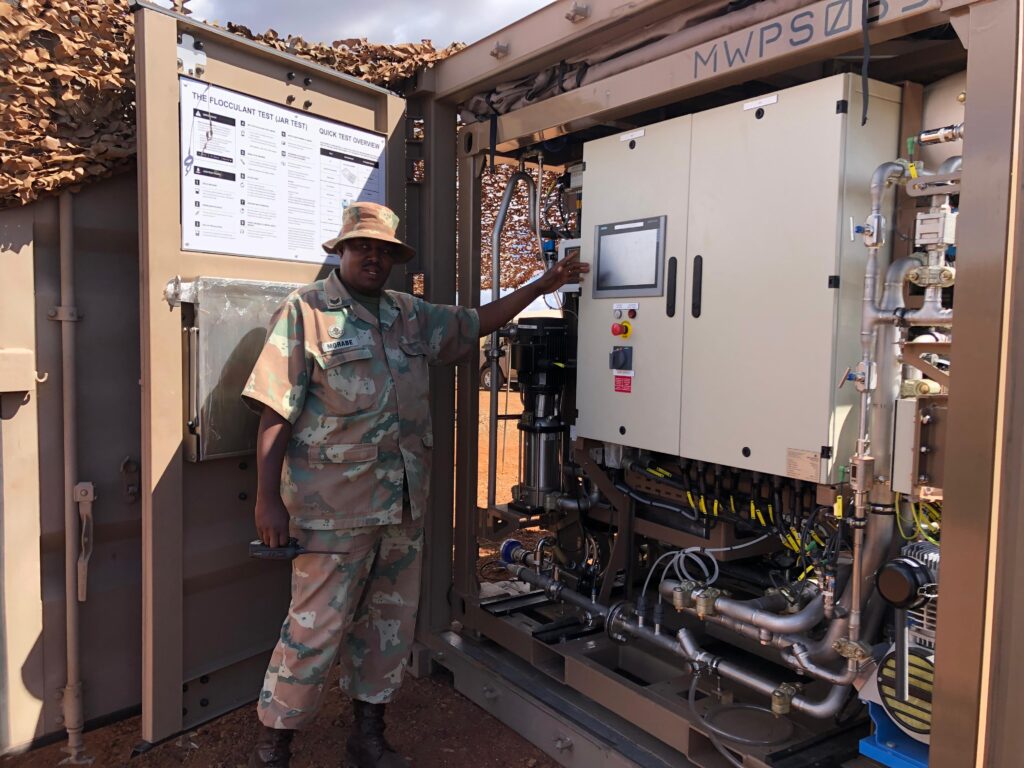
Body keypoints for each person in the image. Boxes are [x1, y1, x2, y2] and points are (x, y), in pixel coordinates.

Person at [242, 201, 587, 768]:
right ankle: (273, 749)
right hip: (333, 511)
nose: (373, 257)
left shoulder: (408, 314)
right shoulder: (306, 312)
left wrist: (543, 284)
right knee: (313, 630)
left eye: (384, 250)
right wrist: (266, 500)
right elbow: (275, 410)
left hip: (402, 506)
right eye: (362, 246)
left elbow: (474, 323)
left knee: (388, 625)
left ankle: (367, 738)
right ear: (342, 250)